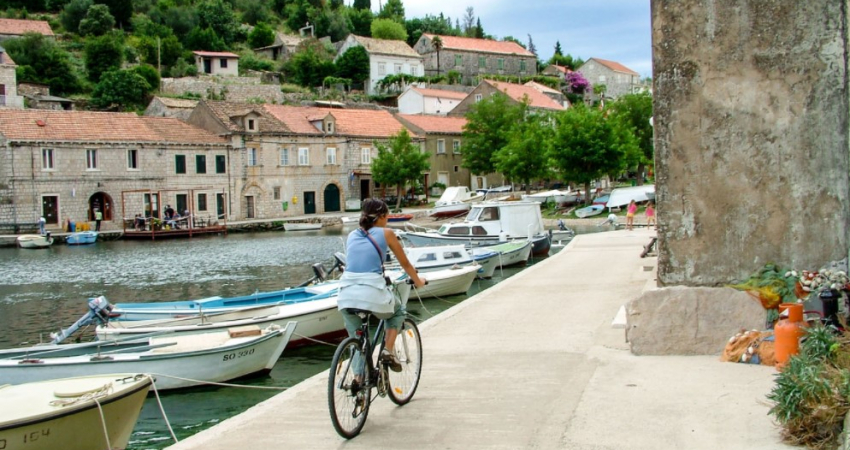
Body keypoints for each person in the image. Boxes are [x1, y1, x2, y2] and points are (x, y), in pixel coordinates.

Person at [337, 199, 426, 374]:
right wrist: (419, 281)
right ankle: (388, 351)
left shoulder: (352, 234)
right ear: (382, 217)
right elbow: (406, 264)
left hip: (346, 294)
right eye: (387, 216)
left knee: (357, 340)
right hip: (371, 292)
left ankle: (358, 381)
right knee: (398, 310)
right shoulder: (387, 233)